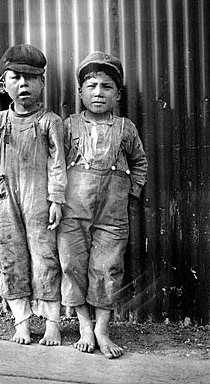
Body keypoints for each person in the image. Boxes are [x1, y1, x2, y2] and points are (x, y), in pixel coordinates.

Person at [58, 51, 148, 359]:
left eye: (107, 86)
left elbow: (140, 162)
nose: (99, 92)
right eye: (92, 85)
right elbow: (55, 165)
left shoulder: (125, 128)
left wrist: (131, 193)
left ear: (118, 94)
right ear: (80, 92)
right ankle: (85, 325)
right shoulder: (68, 126)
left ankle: (102, 329)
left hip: (112, 215)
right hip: (73, 213)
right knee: (72, 266)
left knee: (107, 268)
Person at [0, 44, 67, 346]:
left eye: (30, 78)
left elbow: (57, 165)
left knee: (45, 258)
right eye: (15, 77)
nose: (23, 84)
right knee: (10, 258)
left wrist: (56, 199)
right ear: (4, 83)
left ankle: (53, 323)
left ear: (42, 82)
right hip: (6, 200)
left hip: (39, 201)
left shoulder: (49, 122)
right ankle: (22, 322)